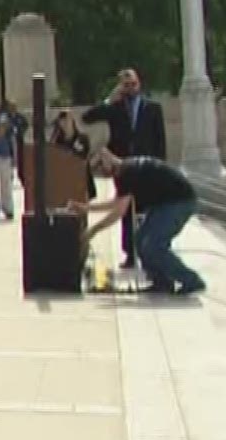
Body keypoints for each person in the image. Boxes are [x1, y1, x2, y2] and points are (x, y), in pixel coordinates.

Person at [71, 150, 205, 295]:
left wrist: (93, 230)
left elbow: (118, 211)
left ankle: (191, 280)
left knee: (153, 245)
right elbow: (117, 203)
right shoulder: (125, 171)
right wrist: (86, 208)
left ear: (107, 163)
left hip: (178, 202)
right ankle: (161, 282)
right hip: (163, 203)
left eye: (100, 169)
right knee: (140, 240)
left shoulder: (127, 173)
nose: (101, 174)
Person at [83, 69, 167, 269]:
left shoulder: (153, 108)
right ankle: (130, 253)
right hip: (122, 166)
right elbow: (88, 117)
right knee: (125, 209)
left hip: (147, 165)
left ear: (139, 84)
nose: (130, 89)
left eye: (133, 84)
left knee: (146, 210)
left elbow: (160, 140)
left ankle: (149, 250)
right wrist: (108, 100)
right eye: (126, 85)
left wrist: (160, 166)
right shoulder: (115, 108)